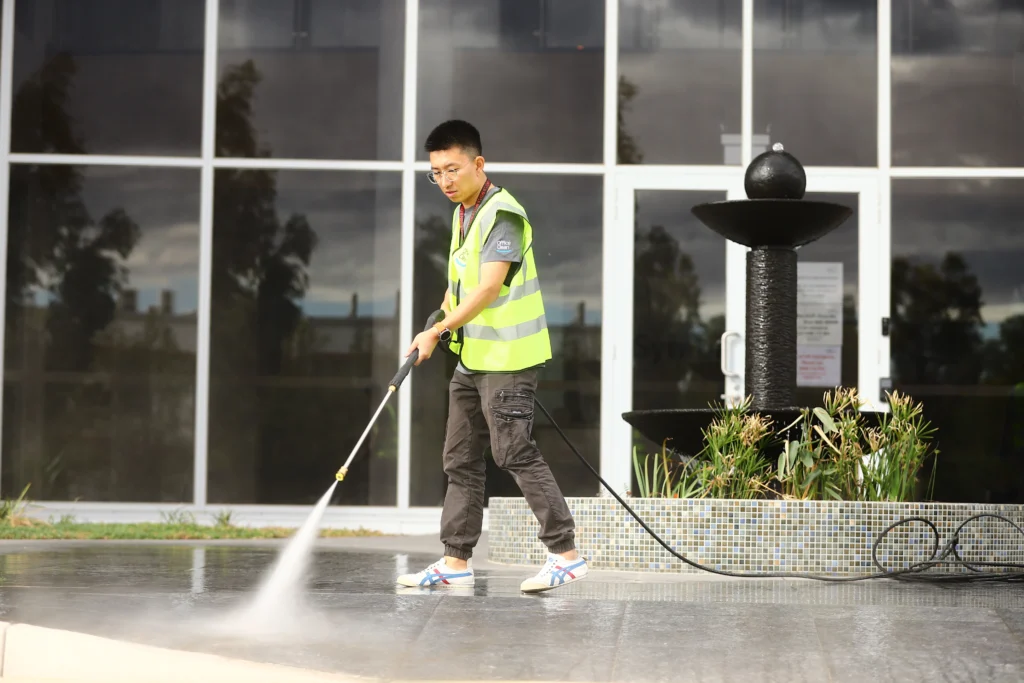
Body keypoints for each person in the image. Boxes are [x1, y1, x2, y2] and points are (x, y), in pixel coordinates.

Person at [395, 120, 588, 594]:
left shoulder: (504, 214)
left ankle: (566, 556)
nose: (444, 180)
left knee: (512, 451)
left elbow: (487, 287)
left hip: (509, 357)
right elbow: (459, 283)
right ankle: (455, 562)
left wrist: (440, 329)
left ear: (479, 165)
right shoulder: (464, 214)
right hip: (473, 359)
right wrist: (435, 322)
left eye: (453, 169)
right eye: (436, 172)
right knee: (459, 458)